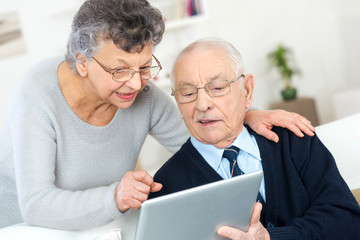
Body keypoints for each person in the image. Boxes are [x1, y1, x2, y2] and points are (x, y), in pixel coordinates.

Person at [0, 0, 315, 230]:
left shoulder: (141, 95)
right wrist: (116, 196)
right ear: (82, 63)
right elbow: (36, 204)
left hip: (106, 225)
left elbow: (199, 135)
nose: (136, 83)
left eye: (144, 66)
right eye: (120, 69)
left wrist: (248, 113)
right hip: (24, 230)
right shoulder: (36, 96)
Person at [149, 38, 360, 240]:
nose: (203, 105)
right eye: (187, 93)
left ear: (247, 90)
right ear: (177, 103)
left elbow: (348, 221)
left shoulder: (292, 139)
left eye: (218, 88)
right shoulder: (166, 186)